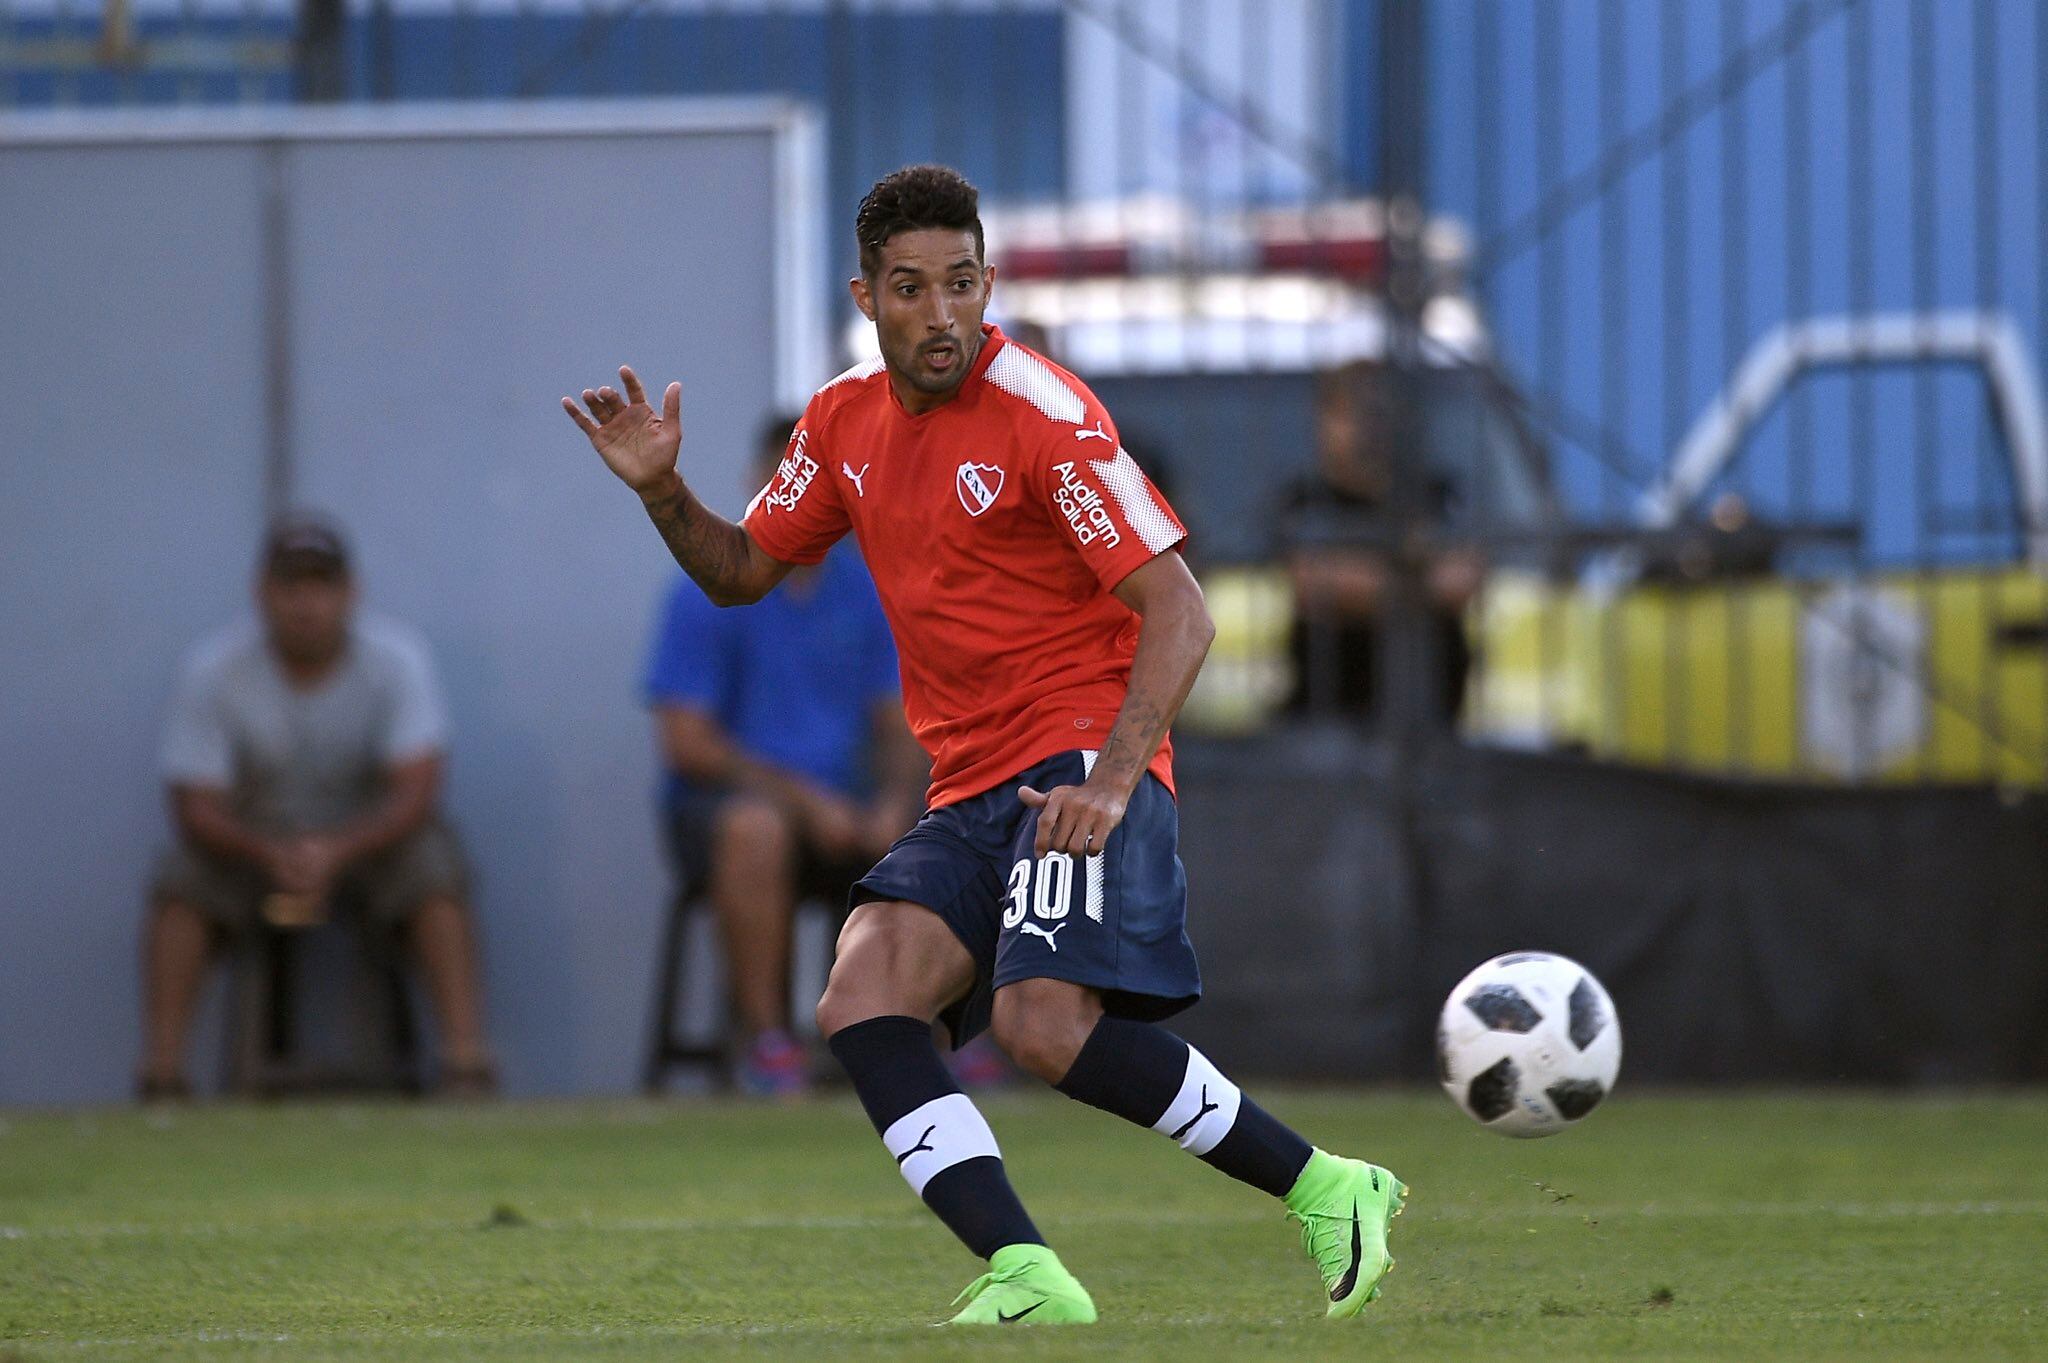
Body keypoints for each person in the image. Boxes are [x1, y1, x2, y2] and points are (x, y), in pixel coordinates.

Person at [563, 165, 1405, 1325]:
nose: (942, 312)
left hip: (1075, 760)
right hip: (970, 780)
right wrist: (663, 493)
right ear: (867, 296)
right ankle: (1027, 1272)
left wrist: (1111, 782)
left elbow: (1181, 610)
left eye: (961, 284)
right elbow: (743, 572)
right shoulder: (841, 423)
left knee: (1038, 1026)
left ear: (987, 283)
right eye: (912, 289)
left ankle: (1326, 1186)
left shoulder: (1043, 416)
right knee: (861, 994)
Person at [138, 516, 494, 1100]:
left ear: (350, 592)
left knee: (436, 865)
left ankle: (467, 1062)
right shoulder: (214, 669)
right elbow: (194, 805)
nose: (306, 603)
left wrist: (339, 849)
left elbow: (418, 786)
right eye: (290, 586)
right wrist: (270, 852)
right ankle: (162, 1074)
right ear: (262, 593)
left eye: (321, 585)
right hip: (253, 847)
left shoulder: (397, 660)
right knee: (181, 879)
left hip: (367, 843)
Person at [644, 412, 923, 1096]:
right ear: (757, 487)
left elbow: (903, 723)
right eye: (786, 481)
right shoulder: (705, 587)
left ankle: (930, 1040)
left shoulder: (870, 589)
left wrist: (892, 801)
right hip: (727, 812)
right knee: (756, 829)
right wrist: (803, 800)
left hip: (847, 808)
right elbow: (688, 743)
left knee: (946, 826)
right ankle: (769, 1044)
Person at [1279, 360, 1484, 724]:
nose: (1368, 427)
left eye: (1378, 410)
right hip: (1326, 720)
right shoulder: (1307, 499)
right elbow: (1315, 584)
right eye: (1351, 413)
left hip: (1432, 716)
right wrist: (1416, 572)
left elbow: (1463, 579)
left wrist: (1370, 582)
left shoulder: (1437, 493)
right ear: (1324, 422)